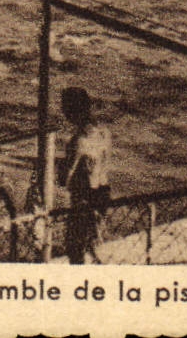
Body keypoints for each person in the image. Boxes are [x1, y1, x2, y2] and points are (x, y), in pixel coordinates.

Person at [58, 86, 111, 265]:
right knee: (95, 244)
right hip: (103, 192)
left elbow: (65, 179)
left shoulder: (77, 141)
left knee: (76, 250)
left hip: (84, 196)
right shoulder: (104, 132)